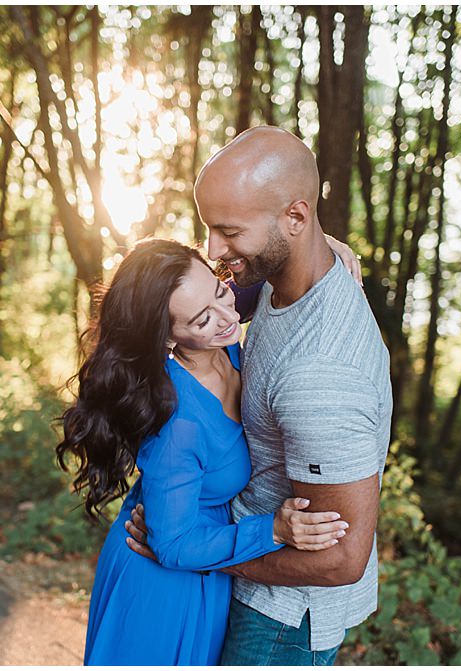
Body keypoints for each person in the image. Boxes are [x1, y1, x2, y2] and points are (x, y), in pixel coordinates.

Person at [125, 125, 393, 665]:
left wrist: (186, 551)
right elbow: (182, 302)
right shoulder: (279, 272)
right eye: (209, 229)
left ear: (295, 217)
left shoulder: (321, 374)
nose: (213, 252)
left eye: (228, 232)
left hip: (278, 617)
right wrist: (323, 239)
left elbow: (341, 558)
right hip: (246, 582)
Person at [57, 236, 362, 665]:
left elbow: (270, 251)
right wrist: (273, 531)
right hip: (164, 590)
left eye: (221, 290)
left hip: (211, 567)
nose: (228, 317)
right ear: (166, 339)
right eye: (202, 320)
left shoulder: (221, 334)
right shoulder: (177, 424)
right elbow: (173, 543)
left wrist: (324, 244)